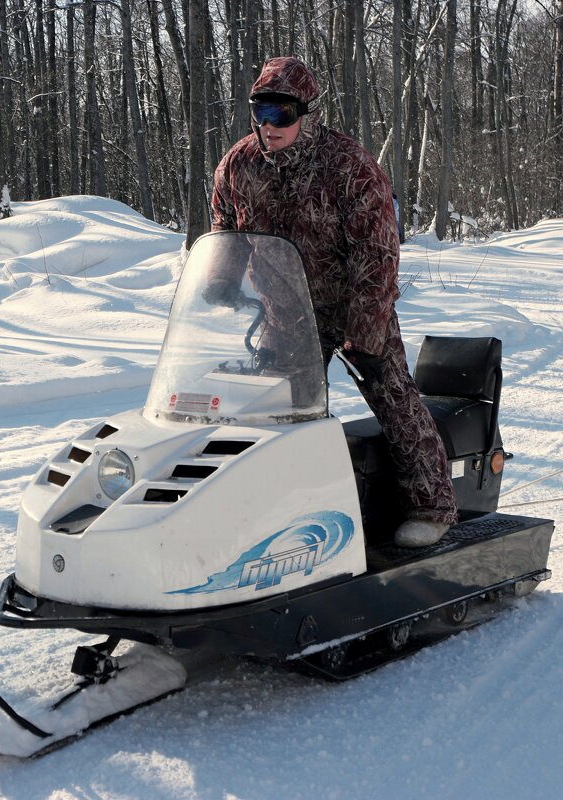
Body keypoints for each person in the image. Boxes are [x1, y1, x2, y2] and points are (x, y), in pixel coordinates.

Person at [210, 56, 458, 547]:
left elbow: (378, 252)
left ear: (308, 113)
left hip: (354, 309)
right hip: (284, 314)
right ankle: (278, 513)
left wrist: (365, 331)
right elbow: (225, 224)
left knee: (393, 400)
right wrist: (221, 276)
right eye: (260, 111)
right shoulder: (239, 164)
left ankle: (433, 507)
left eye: (281, 114)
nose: (268, 124)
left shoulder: (348, 166)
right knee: (275, 415)